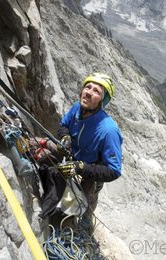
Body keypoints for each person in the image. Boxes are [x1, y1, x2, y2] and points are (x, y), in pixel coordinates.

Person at [55, 72, 123, 215]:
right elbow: (64, 124)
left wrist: (81, 168)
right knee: (46, 150)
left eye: (96, 91)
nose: (89, 93)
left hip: (90, 172)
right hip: (71, 156)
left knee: (83, 198)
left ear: (102, 101)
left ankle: (85, 219)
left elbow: (114, 170)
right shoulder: (77, 108)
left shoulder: (108, 130)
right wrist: (65, 137)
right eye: (88, 87)